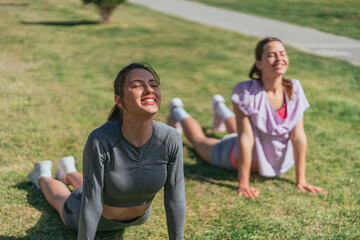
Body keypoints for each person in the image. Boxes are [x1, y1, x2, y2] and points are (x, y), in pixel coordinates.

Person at [28, 63, 186, 240]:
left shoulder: (170, 138)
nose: (149, 89)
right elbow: (91, 200)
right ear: (119, 100)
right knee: (62, 198)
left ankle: (68, 171)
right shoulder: (101, 139)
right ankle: (42, 175)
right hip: (83, 213)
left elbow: (175, 197)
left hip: (138, 217)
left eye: (153, 85)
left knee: (88, 187)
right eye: (137, 85)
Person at [167, 37, 325, 199]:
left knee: (246, 129)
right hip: (233, 154)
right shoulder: (246, 92)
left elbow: (298, 136)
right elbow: (246, 138)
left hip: (263, 148)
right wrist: (243, 184)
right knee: (199, 141)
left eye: (282, 53)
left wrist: (301, 180)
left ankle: (219, 106)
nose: (279, 59)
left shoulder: (294, 88)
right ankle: (177, 110)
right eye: (271, 55)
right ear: (259, 64)